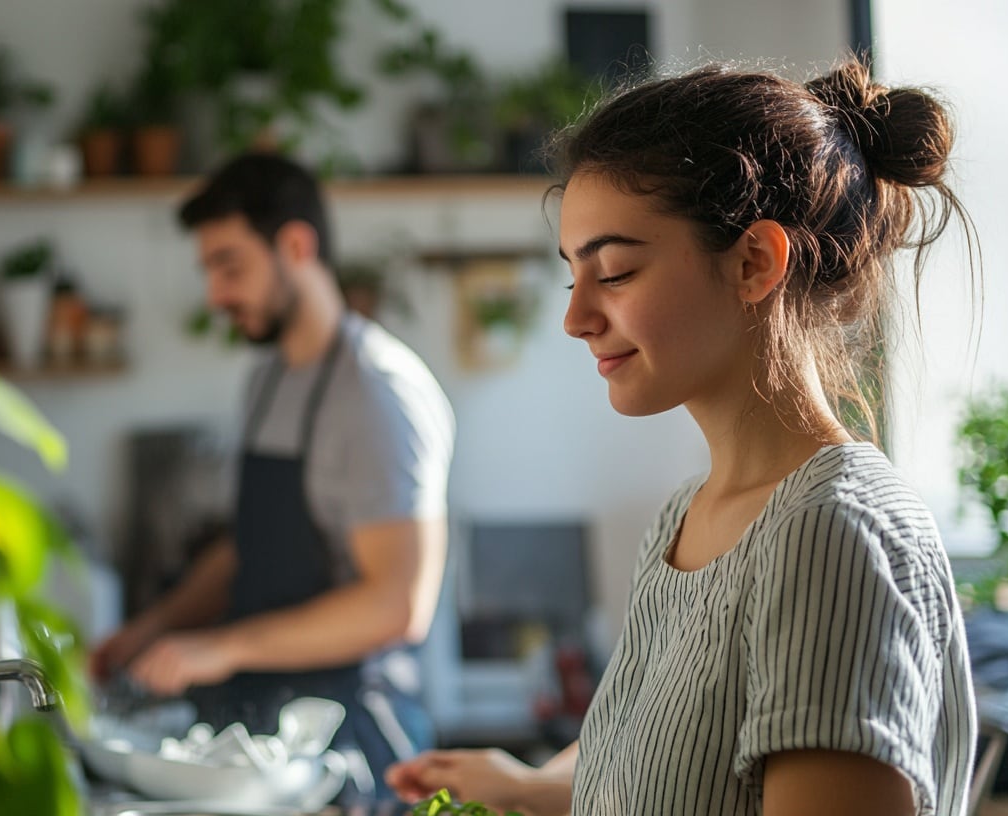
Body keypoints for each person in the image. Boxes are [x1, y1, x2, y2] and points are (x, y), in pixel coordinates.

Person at [388, 57, 977, 816]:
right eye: (574, 278)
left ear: (754, 262)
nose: (577, 319)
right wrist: (528, 787)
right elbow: (679, 769)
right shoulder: (685, 521)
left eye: (618, 272)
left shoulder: (830, 532)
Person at [90, 152, 456, 802]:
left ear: (295, 245)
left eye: (230, 266)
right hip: (259, 732)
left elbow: (399, 605)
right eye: (209, 270)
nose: (216, 294)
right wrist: (150, 631)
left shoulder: (376, 391)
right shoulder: (267, 379)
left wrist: (222, 647)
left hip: (346, 743)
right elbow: (250, 544)